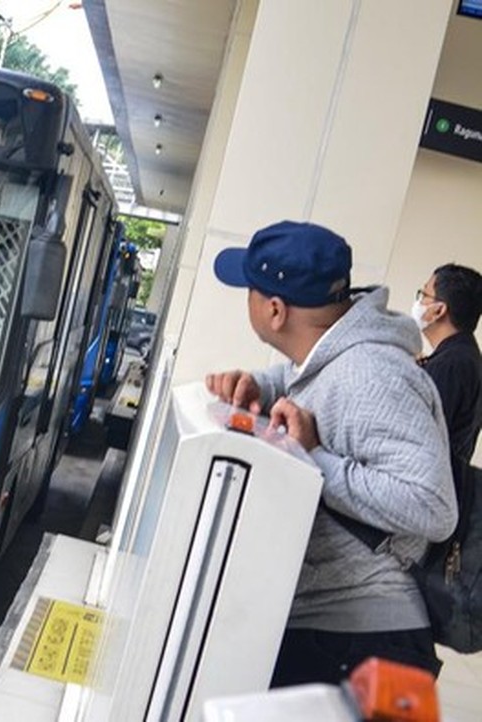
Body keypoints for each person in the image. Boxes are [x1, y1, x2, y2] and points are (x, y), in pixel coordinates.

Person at [204, 220, 456, 687]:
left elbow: (433, 505)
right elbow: (305, 378)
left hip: (363, 645)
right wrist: (260, 385)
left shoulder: (369, 374)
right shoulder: (332, 353)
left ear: (275, 310)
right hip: (339, 631)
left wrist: (313, 456)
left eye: (251, 290)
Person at [413, 263, 482, 539]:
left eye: (423, 295)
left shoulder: (452, 365)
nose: (419, 302)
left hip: (422, 507)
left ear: (439, 310)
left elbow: (420, 439)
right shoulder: (462, 357)